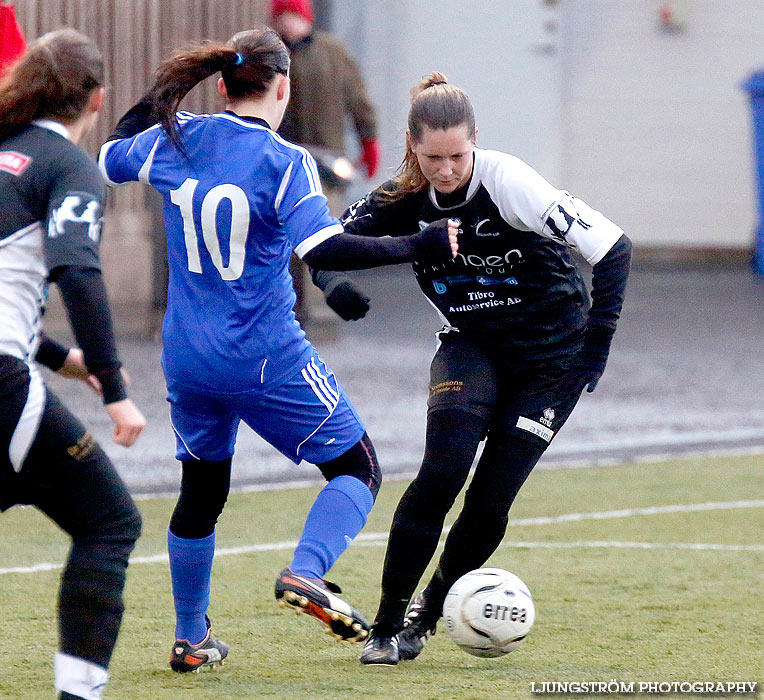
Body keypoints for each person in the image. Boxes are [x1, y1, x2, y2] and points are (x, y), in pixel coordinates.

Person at [97, 28, 457, 672]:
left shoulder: (176, 137)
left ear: (224, 81)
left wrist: (164, 95)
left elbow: (110, 155)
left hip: (185, 357)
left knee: (202, 491)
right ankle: (307, 571)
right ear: (283, 87)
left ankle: (190, 640)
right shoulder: (283, 160)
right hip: (263, 353)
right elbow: (324, 248)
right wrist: (419, 245)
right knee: (359, 467)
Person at [338, 73, 632, 666]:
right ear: (412, 147)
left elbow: (615, 248)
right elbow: (323, 242)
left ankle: (430, 611)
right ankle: (387, 625)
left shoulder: (508, 182)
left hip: (552, 361)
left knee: (490, 499)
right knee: (441, 472)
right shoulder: (401, 196)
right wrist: (333, 283)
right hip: (470, 346)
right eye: (432, 158)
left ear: (476, 141)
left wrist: (595, 351)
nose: (446, 170)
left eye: (457, 156)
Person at [0, 28, 146, 700]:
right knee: (109, 522)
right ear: (97, 99)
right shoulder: (68, 166)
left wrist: (63, 360)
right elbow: (77, 274)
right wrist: (115, 389)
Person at [271, 0, 379, 328]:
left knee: (322, 232)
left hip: (327, 163)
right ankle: (292, 309)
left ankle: (320, 306)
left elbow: (358, 99)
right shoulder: (270, 56)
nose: (285, 22)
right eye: (280, 16)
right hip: (283, 162)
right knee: (288, 241)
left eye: (290, 14)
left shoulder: (333, 53)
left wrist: (368, 141)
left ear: (304, 16)